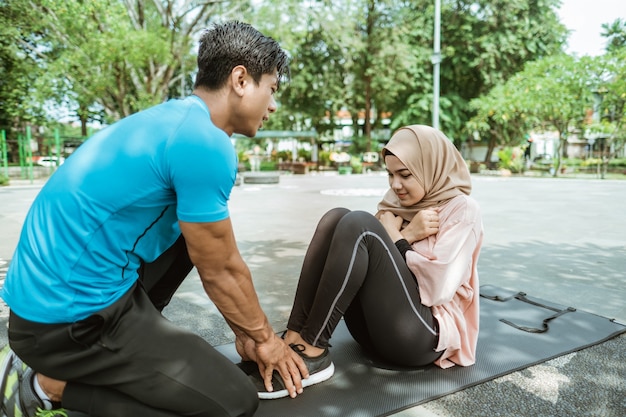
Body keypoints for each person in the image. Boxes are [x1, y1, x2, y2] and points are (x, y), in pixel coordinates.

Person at [0, 21, 312, 417]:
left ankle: (127, 353)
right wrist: (266, 340)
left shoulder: (173, 120)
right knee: (231, 402)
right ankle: (43, 387)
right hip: (67, 325)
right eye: (272, 89)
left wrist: (244, 331)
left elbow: (208, 252)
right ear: (240, 79)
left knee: (194, 230)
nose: (272, 105)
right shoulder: (206, 143)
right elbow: (222, 270)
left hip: (44, 306)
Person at [244, 125, 483, 399]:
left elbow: (438, 288)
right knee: (337, 217)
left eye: (405, 175)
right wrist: (407, 234)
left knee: (360, 224)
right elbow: (369, 266)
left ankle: (314, 349)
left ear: (431, 168)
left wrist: (398, 237)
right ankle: (295, 336)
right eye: (390, 174)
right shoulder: (397, 205)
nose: (395, 185)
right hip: (374, 333)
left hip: (423, 339)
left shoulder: (463, 210)